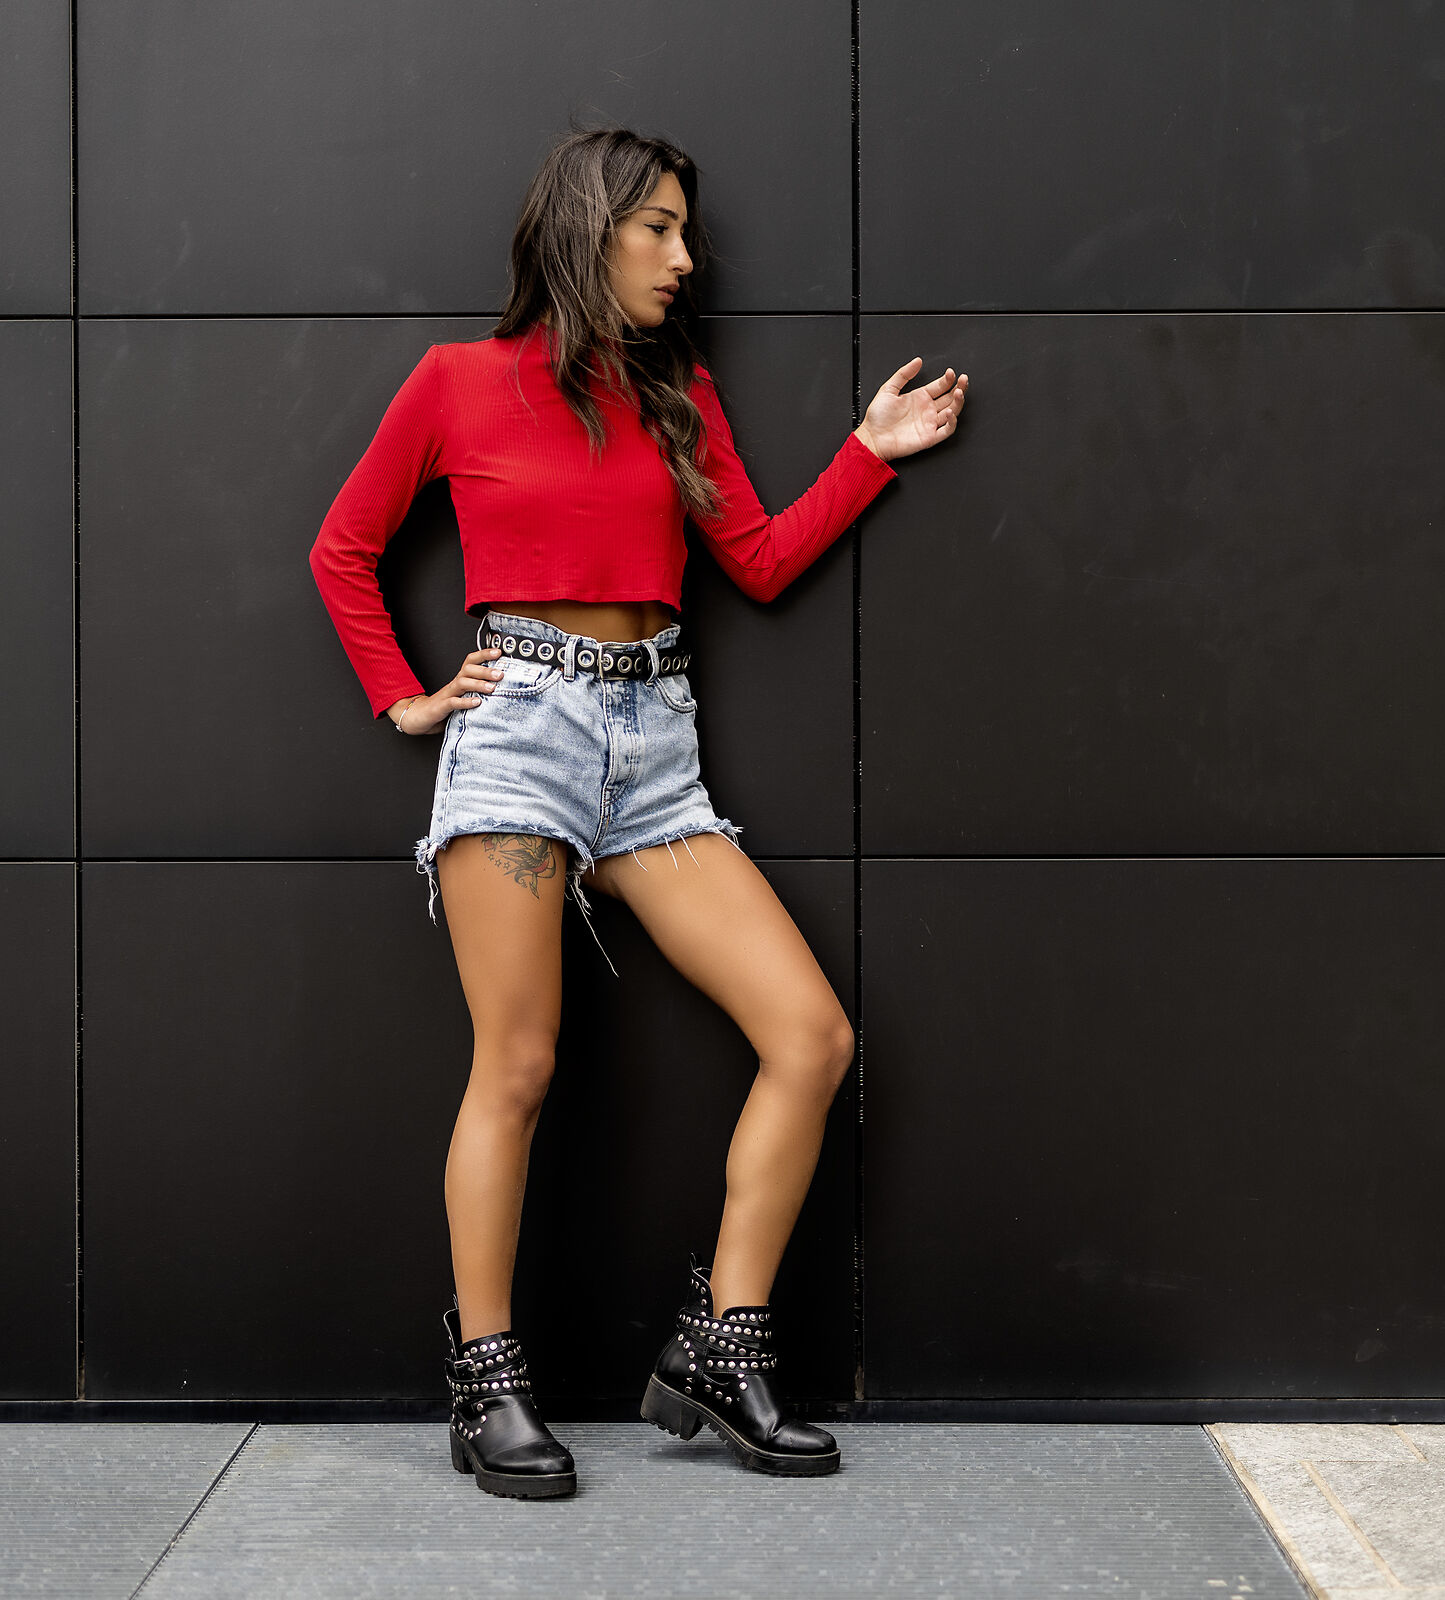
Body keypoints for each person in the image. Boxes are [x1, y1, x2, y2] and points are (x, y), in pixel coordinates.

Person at [309, 127, 968, 1498]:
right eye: (659, 229)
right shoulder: (456, 383)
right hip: (523, 739)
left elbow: (762, 562)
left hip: (656, 750)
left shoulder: (679, 396)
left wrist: (865, 450)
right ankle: (485, 1382)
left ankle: (722, 1351)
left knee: (812, 1034)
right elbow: (345, 547)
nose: (685, 257)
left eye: (687, 234)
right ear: (587, 229)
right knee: (523, 1066)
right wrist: (408, 700)